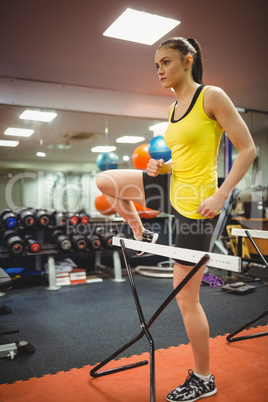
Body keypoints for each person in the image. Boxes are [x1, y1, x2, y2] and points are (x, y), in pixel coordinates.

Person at [95, 37, 256, 402]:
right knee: (106, 181)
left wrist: (222, 193)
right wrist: (162, 165)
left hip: (197, 206)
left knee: (186, 300)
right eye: (156, 66)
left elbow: (248, 149)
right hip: (172, 186)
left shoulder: (211, 96)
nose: (160, 71)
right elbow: (182, 159)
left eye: (165, 62)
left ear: (188, 61)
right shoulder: (172, 109)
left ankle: (203, 377)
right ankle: (142, 232)